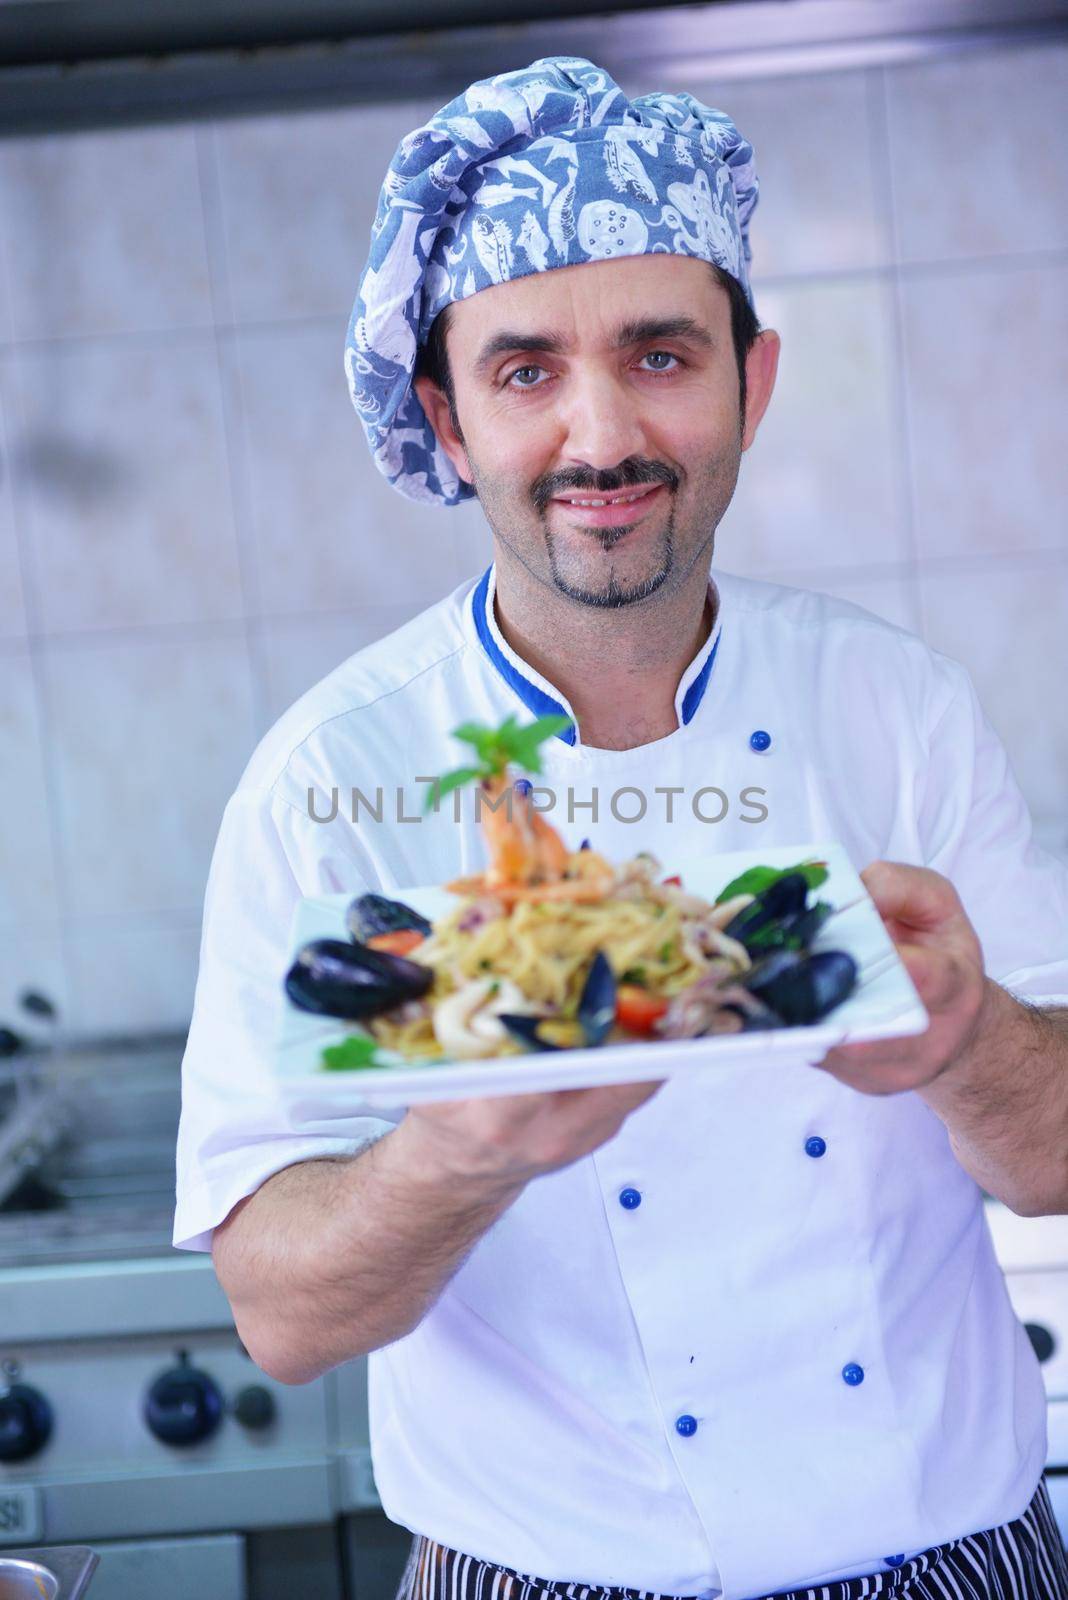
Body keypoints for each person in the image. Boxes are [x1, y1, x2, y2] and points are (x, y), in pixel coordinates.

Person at [173, 56, 1068, 1600]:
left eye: (660, 356)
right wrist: (459, 1152)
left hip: (950, 1552)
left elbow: (1055, 1165)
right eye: (526, 372)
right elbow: (284, 1313)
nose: (601, 438)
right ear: (446, 420)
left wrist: (964, 1043)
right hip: (540, 1575)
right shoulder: (340, 782)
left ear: (752, 383)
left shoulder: (895, 715)